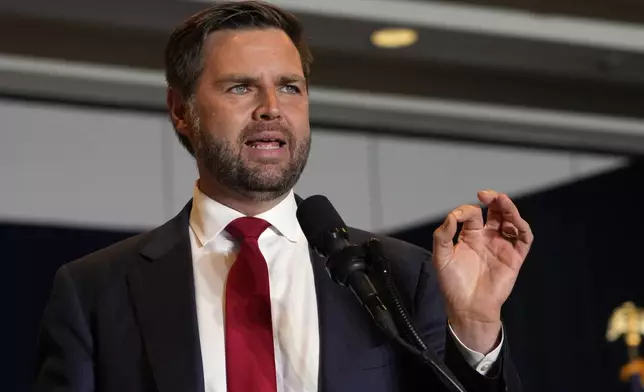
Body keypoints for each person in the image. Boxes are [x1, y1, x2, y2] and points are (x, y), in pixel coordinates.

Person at [33, 1, 533, 391]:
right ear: (182, 110)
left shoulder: (399, 275)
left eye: (290, 87)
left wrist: (474, 326)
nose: (272, 108)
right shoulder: (95, 290)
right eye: (240, 88)